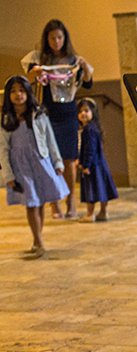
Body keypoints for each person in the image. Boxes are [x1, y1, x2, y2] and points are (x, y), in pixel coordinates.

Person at [22, 19, 93, 219]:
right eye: (52, 38)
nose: (56, 41)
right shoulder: (39, 58)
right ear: (47, 39)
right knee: (50, 159)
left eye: (59, 37)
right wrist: (35, 72)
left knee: (69, 159)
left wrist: (85, 66)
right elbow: (26, 81)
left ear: (65, 38)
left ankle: (71, 201)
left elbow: (88, 83)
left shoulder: (73, 60)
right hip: (47, 114)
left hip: (68, 114)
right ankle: (55, 203)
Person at [0, 76, 70, 258]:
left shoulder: (39, 114)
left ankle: (37, 239)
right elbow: (3, 149)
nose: (18, 95)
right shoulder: (6, 119)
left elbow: (49, 139)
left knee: (40, 203)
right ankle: (38, 241)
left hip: (41, 162)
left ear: (28, 92)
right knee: (31, 203)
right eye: (13, 91)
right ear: (8, 95)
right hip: (21, 167)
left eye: (21, 90)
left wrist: (57, 162)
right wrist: (8, 174)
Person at [76, 98, 118, 222]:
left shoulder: (88, 130)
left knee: (91, 191)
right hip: (100, 164)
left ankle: (90, 214)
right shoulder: (94, 128)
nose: (83, 113)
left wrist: (85, 165)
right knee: (102, 189)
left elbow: (90, 149)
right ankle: (103, 212)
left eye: (86, 110)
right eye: (80, 111)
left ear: (93, 112)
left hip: (92, 166)